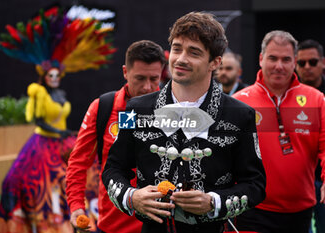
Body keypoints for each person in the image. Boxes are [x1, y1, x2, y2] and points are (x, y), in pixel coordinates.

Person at [101, 12, 266, 233]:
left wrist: (213, 203)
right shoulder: (134, 109)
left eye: (194, 52)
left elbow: (255, 185)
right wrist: (132, 197)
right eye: (177, 48)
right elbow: (113, 168)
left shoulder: (240, 114)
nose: (181, 59)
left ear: (215, 63)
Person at [0, 7, 116, 233]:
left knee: (87, 170)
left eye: (57, 75)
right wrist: (59, 133)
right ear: (44, 76)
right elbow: (38, 120)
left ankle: (85, 215)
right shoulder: (38, 92)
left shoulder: (60, 95)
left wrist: (65, 134)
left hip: (61, 142)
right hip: (42, 144)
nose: (54, 79)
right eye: (51, 76)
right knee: (18, 180)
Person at [66, 40, 166, 233]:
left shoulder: (175, 110)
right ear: (125, 72)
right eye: (140, 78)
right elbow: (78, 161)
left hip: (161, 225)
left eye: (154, 79)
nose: (147, 87)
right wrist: (76, 205)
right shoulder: (104, 107)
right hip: (113, 226)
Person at [233, 31, 325, 233]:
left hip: (300, 211)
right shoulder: (240, 102)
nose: (279, 66)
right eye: (273, 58)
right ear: (261, 59)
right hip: (253, 209)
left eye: (286, 59)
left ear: (294, 62)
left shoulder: (316, 100)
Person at [296, 39, 325, 233]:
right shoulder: (286, 95)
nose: (307, 67)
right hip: (298, 177)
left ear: (323, 62)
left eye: (312, 62)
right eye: (301, 63)